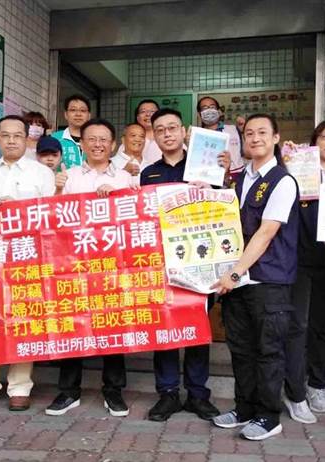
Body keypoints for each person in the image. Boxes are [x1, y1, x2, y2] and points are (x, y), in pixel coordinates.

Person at [210, 113, 300, 441]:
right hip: (237, 281)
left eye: (263, 132)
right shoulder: (237, 179)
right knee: (241, 348)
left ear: (276, 138)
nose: (255, 138)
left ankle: (268, 416)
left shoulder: (283, 181)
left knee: (268, 350)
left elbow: (265, 233)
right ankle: (244, 408)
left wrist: (233, 273)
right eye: (249, 133)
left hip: (267, 280)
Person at [140, 108, 229, 422]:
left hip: (198, 261)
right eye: (160, 129)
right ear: (154, 135)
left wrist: (219, 182)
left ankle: (197, 394)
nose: (167, 134)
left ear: (183, 131)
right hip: (162, 261)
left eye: (172, 128)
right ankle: (167, 393)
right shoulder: (148, 173)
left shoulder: (206, 165)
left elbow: (223, 207)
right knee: (165, 327)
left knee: (196, 327)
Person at [0, 115, 55, 412]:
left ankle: (20, 386)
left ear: (27, 138)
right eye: (6, 135)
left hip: (26, 254)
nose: (12, 140)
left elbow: (50, 213)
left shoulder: (41, 172)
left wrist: (19, 209)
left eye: (17, 135)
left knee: (23, 317)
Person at [46, 118, 134, 417]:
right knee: (73, 325)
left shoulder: (125, 178)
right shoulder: (68, 177)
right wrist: (57, 191)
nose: (98, 144)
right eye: (91, 139)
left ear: (113, 144)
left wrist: (118, 197)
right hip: (74, 264)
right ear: (81, 144)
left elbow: (135, 218)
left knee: (113, 325)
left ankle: (114, 391)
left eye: (103, 139)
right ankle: (68, 391)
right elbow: (51, 218)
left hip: (112, 264)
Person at [283, 120, 325, 420]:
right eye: (324, 137)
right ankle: (294, 390)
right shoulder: (298, 174)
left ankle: (317, 385)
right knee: (297, 325)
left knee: (323, 327)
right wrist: (288, 161)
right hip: (299, 260)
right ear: (314, 142)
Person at [197, 96, 244, 176]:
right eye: (205, 108)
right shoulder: (197, 136)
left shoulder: (233, 130)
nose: (209, 110)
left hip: (236, 176)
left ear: (218, 111)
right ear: (199, 114)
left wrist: (245, 131)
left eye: (212, 107)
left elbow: (248, 154)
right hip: (209, 177)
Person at [114, 99, 162, 173]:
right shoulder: (128, 143)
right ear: (138, 118)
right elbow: (116, 166)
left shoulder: (167, 140)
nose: (148, 114)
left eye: (152, 111)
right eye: (143, 111)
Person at [51, 94, 91, 168]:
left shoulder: (96, 141)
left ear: (89, 116)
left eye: (82, 110)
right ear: (66, 114)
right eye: (73, 110)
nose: (78, 114)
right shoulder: (54, 139)